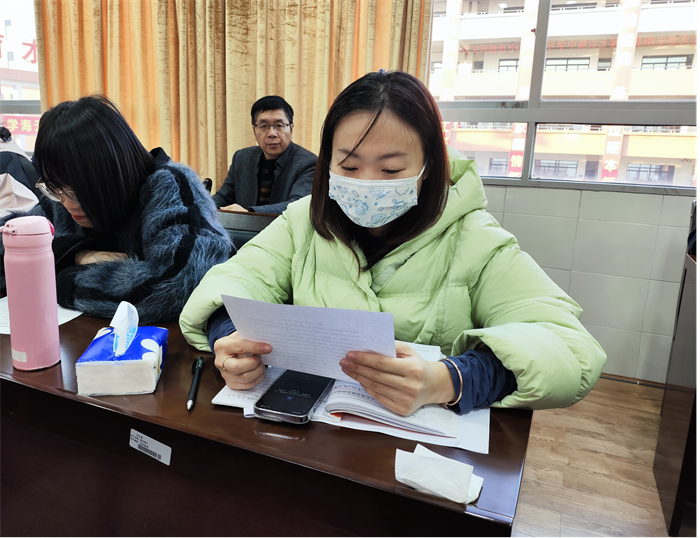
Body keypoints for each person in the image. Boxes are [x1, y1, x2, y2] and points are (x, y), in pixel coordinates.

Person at [180, 70, 606, 417]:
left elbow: (568, 348)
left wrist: (451, 379)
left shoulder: (474, 238)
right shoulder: (303, 221)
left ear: (429, 165)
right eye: (349, 166)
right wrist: (230, 338)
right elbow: (233, 282)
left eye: (390, 171)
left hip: (422, 458)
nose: (366, 183)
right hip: (313, 441)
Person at [0, 95, 234, 324]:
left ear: (114, 170)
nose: (68, 204)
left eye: (80, 190)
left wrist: (65, 280)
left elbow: (179, 283)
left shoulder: (171, 186)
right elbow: (9, 241)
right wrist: (76, 254)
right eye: (55, 188)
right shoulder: (62, 196)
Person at [211, 96, 317, 214]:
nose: (272, 133)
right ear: (254, 130)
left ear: (291, 129)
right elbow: (224, 197)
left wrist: (249, 213)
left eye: (279, 125)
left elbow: (298, 205)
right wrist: (202, 205)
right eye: (264, 126)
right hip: (243, 226)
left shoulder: (308, 163)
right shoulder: (242, 158)